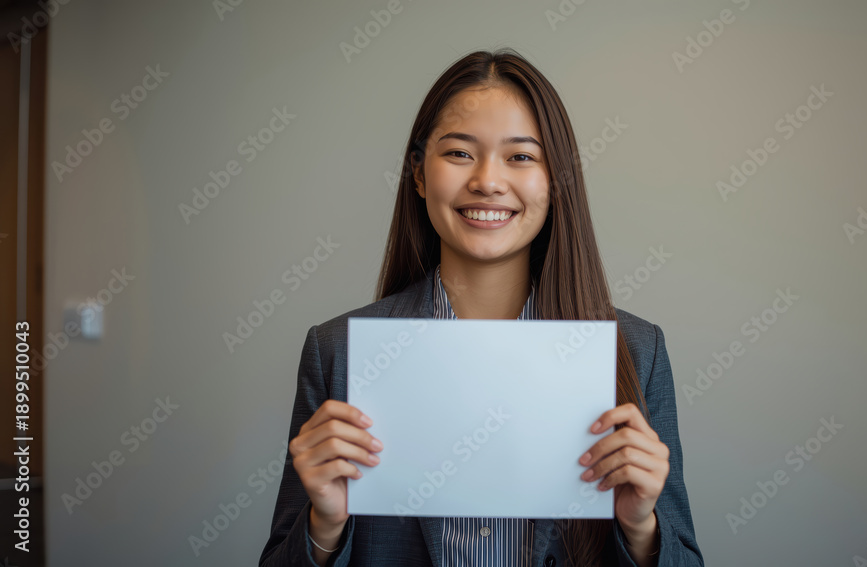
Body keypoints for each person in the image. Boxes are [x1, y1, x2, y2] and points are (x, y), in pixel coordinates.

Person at [259, 48, 704, 567]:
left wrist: (641, 530)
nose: (488, 181)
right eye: (459, 153)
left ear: (555, 181)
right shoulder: (338, 352)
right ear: (420, 175)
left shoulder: (636, 350)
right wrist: (325, 525)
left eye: (521, 156)